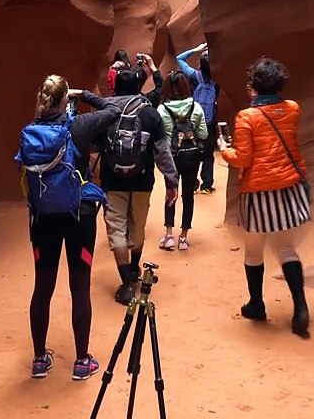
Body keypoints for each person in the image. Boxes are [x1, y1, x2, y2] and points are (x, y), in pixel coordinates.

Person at [19, 75, 120, 382]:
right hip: (80, 218)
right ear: (66, 101)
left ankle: (39, 360)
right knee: (80, 287)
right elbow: (113, 110)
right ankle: (81, 361)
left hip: (42, 220)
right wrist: (86, 93)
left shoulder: (30, 133)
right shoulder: (79, 127)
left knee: (43, 287)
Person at [217, 57, 312, 337]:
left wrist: (224, 148)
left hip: (258, 194)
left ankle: (257, 304)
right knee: (286, 249)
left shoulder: (247, 117)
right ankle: (300, 306)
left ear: (253, 86)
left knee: (254, 251)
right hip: (287, 189)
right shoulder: (292, 109)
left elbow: (243, 158)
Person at [80, 69, 179, 304]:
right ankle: (134, 270)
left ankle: (126, 283)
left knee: (116, 230)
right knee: (138, 227)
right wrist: (171, 180)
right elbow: (162, 151)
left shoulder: (105, 114)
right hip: (143, 181)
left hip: (112, 182)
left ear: (114, 88)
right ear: (137, 88)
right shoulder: (150, 114)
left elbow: (92, 145)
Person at [157, 71, 209, 251]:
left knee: (171, 193)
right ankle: (184, 237)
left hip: (171, 158)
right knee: (188, 195)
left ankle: (169, 235)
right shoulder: (196, 107)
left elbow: (160, 138)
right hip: (192, 156)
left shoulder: (162, 110)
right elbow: (203, 134)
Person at [177, 42, 220, 193]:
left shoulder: (193, 75)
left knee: (193, 150)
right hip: (209, 120)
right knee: (208, 154)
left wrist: (196, 49)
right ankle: (207, 185)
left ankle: (193, 183)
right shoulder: (217, 80)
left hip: (193, 119)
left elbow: (180, 59)